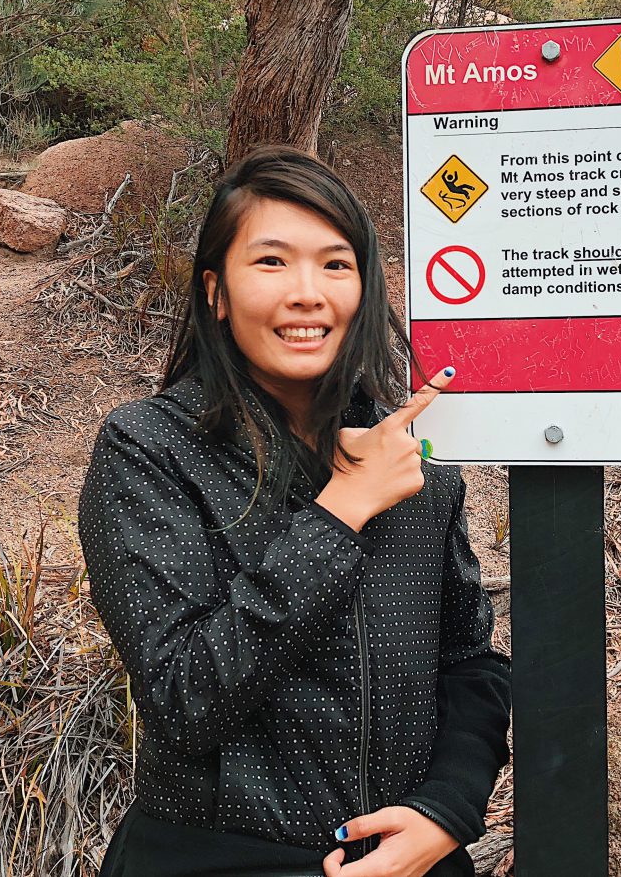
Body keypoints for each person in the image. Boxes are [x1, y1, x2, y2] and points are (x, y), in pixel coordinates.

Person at [77, 145, 512, 877]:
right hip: (214, 858)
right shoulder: (148, 449)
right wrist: (340, 512)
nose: (307, 293)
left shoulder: (412, 459)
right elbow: (182, 699)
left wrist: (448, 812)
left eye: (335, 265)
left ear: (365, 288)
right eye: (271, 262)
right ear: (216, 291)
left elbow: (468, 662)